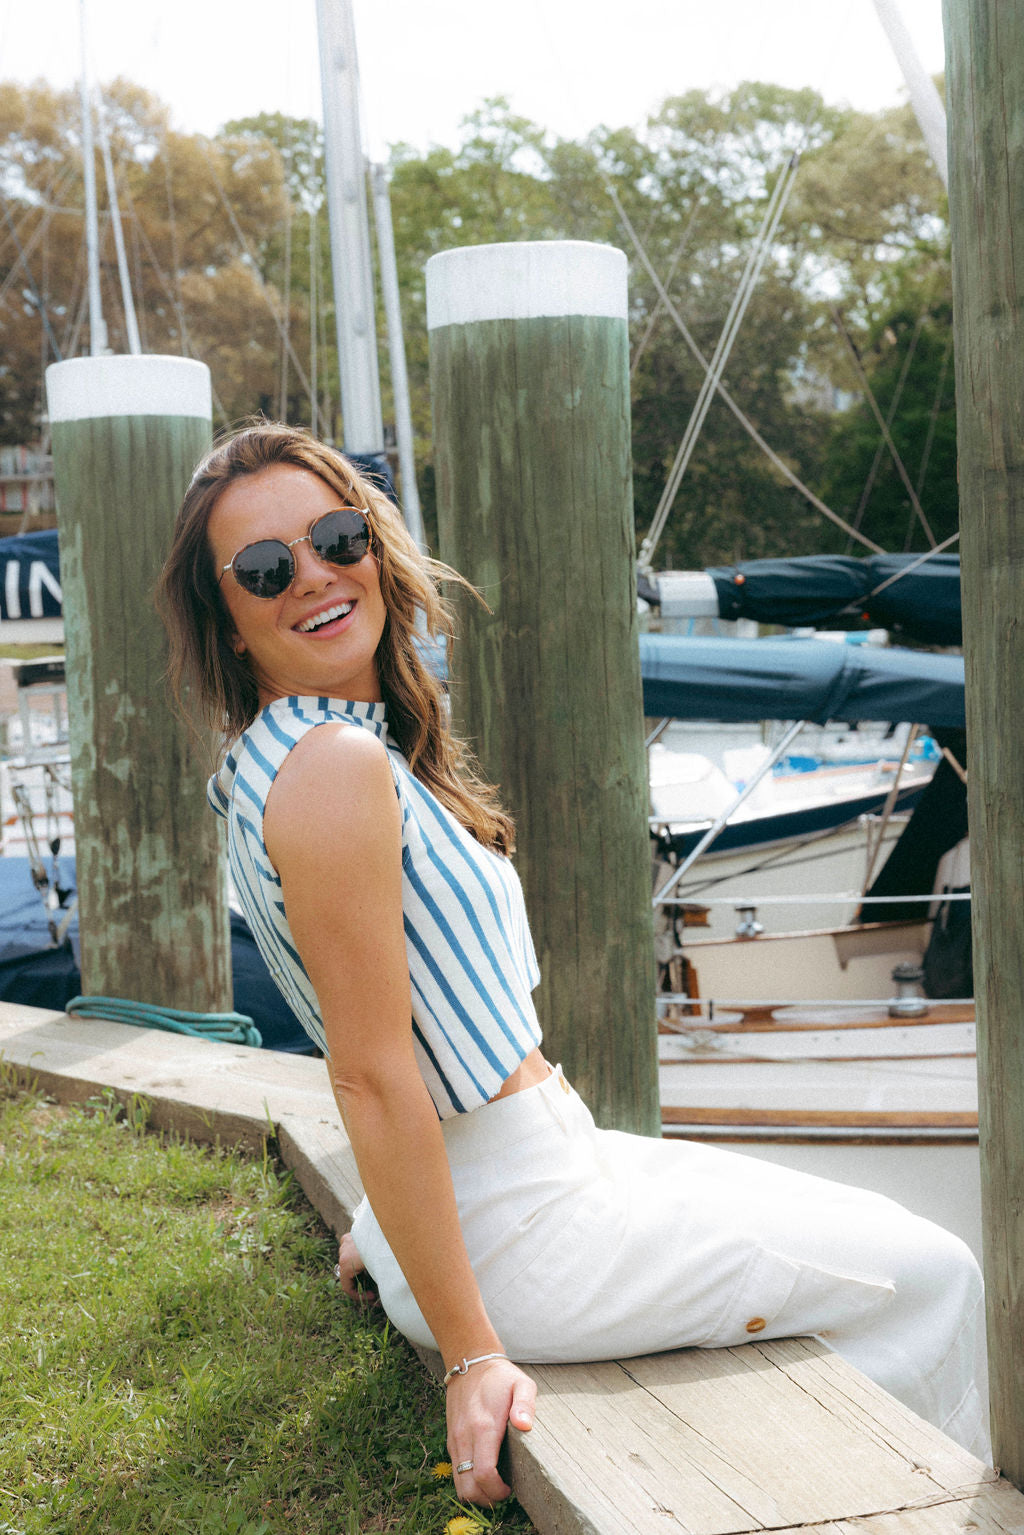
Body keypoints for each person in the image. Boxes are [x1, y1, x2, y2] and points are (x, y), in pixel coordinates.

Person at [158, 422, 990, 1505]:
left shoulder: (286, 752)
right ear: (226, 621)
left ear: (373, 543)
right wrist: (472, 1352)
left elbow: (375, 1026)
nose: (314, 574)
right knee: (936, 1275)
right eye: (266, 568)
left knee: (877, 1249)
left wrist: (388, 1228)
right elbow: (367, 1070)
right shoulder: (335, 765)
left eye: (336, 537)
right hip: (528, 1222)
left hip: (523, 1181)